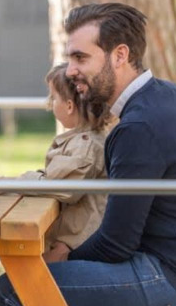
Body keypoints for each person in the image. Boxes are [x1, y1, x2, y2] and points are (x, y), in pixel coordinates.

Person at [0, 2, 176, 306]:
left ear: (119, 55)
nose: (71, 71)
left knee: (13, 291)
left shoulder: (139, 127)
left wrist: (65, 257)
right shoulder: (168, 96)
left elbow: (115, 244)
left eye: (81, 58)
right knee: (55, 285)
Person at [18, 63, 109, 263]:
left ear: (69, 106)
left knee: (16, 286)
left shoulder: (85, 146)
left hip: (72, 248)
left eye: (53, 98)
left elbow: (57, 185)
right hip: (69, 243)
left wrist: (21, 181)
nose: (50, 104)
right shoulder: (81, 140)